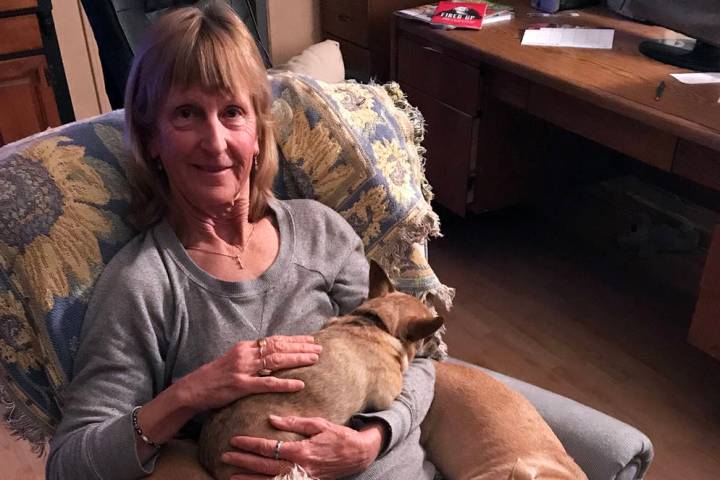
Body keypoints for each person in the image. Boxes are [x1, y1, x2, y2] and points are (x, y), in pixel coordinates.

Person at [46, 2, 437, 479]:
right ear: (151, 138)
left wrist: (372, 438)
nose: (215, 142)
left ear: (257, 131)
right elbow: (70, 465)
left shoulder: (321, 229)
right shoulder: (143, 284)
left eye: (232, 112)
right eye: (187, 114)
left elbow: (422, 361)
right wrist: (191, 394)